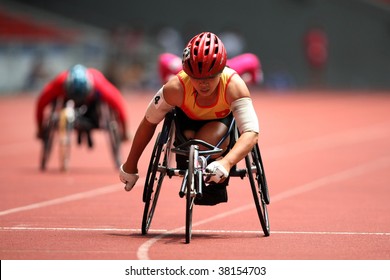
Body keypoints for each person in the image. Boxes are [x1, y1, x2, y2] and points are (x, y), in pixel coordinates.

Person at [119, 32, 260, 205]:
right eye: (196, 78)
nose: (203, 84)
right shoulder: (174, 88)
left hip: (218, 124)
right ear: (187, 73)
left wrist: (227, 162)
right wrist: (130, 164)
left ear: (221, 71)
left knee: (210, 140)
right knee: (189, 140)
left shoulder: (234, 86)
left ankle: (216, 184)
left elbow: (251, 133)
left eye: (210, 77)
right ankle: (191, 162)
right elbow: (149, 123)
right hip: (185, 122)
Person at [35, 64, 130, 147]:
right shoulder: (59, 84)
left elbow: (119, 106)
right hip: (68, 101)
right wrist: (40, 128)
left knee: (100, 105)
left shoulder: (100, 85)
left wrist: (125, 132)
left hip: (91, 105)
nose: (78, 100)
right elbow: (41, 104)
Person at [158, 52, 263, 85]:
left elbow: (252, 60)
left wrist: (246, 80)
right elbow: (164, 59)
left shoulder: (231, 71)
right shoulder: (183, 69)